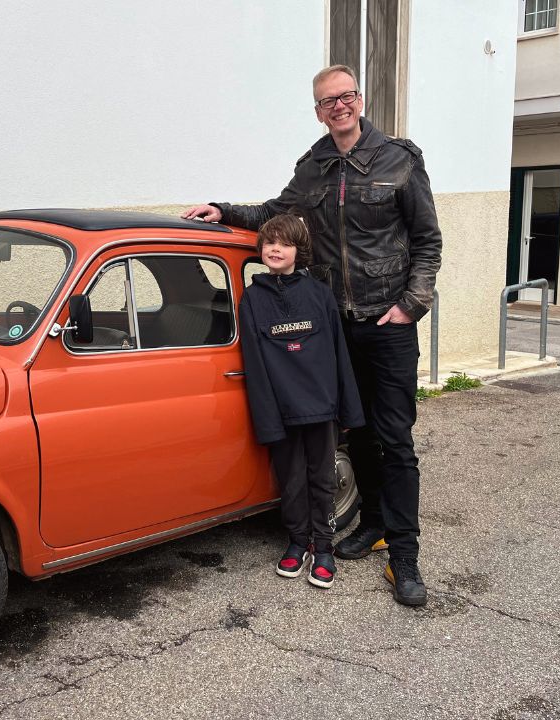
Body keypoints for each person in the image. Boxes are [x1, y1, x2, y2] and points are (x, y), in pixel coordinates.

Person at [183, 64, 442, 606]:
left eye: (345, 97)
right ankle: (372, 523)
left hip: (387, 322)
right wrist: (223, 209)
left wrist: (411, 305)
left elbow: (426, 239)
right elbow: (275, 213)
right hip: (337, 325)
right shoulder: (316, 165)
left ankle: (404, 554)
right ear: (318, 111)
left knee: (394, 438)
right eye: (328, 102)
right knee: (358, 428)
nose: (338, 107)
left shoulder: (400, 158)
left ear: (360, 100)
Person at [239, 214, 364, 589]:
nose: (275, 249)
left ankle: (323, 547)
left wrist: (346, 408)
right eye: (269, 242)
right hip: (282, 407)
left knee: (322, 478)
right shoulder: (252, 298)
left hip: (322, 405)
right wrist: (267, 416)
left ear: (299, 251)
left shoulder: (319, 295)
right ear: (261, 250)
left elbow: (338, 352)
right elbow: (254, 363)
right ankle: (297, 541)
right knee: (291, 480)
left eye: (285, 243)